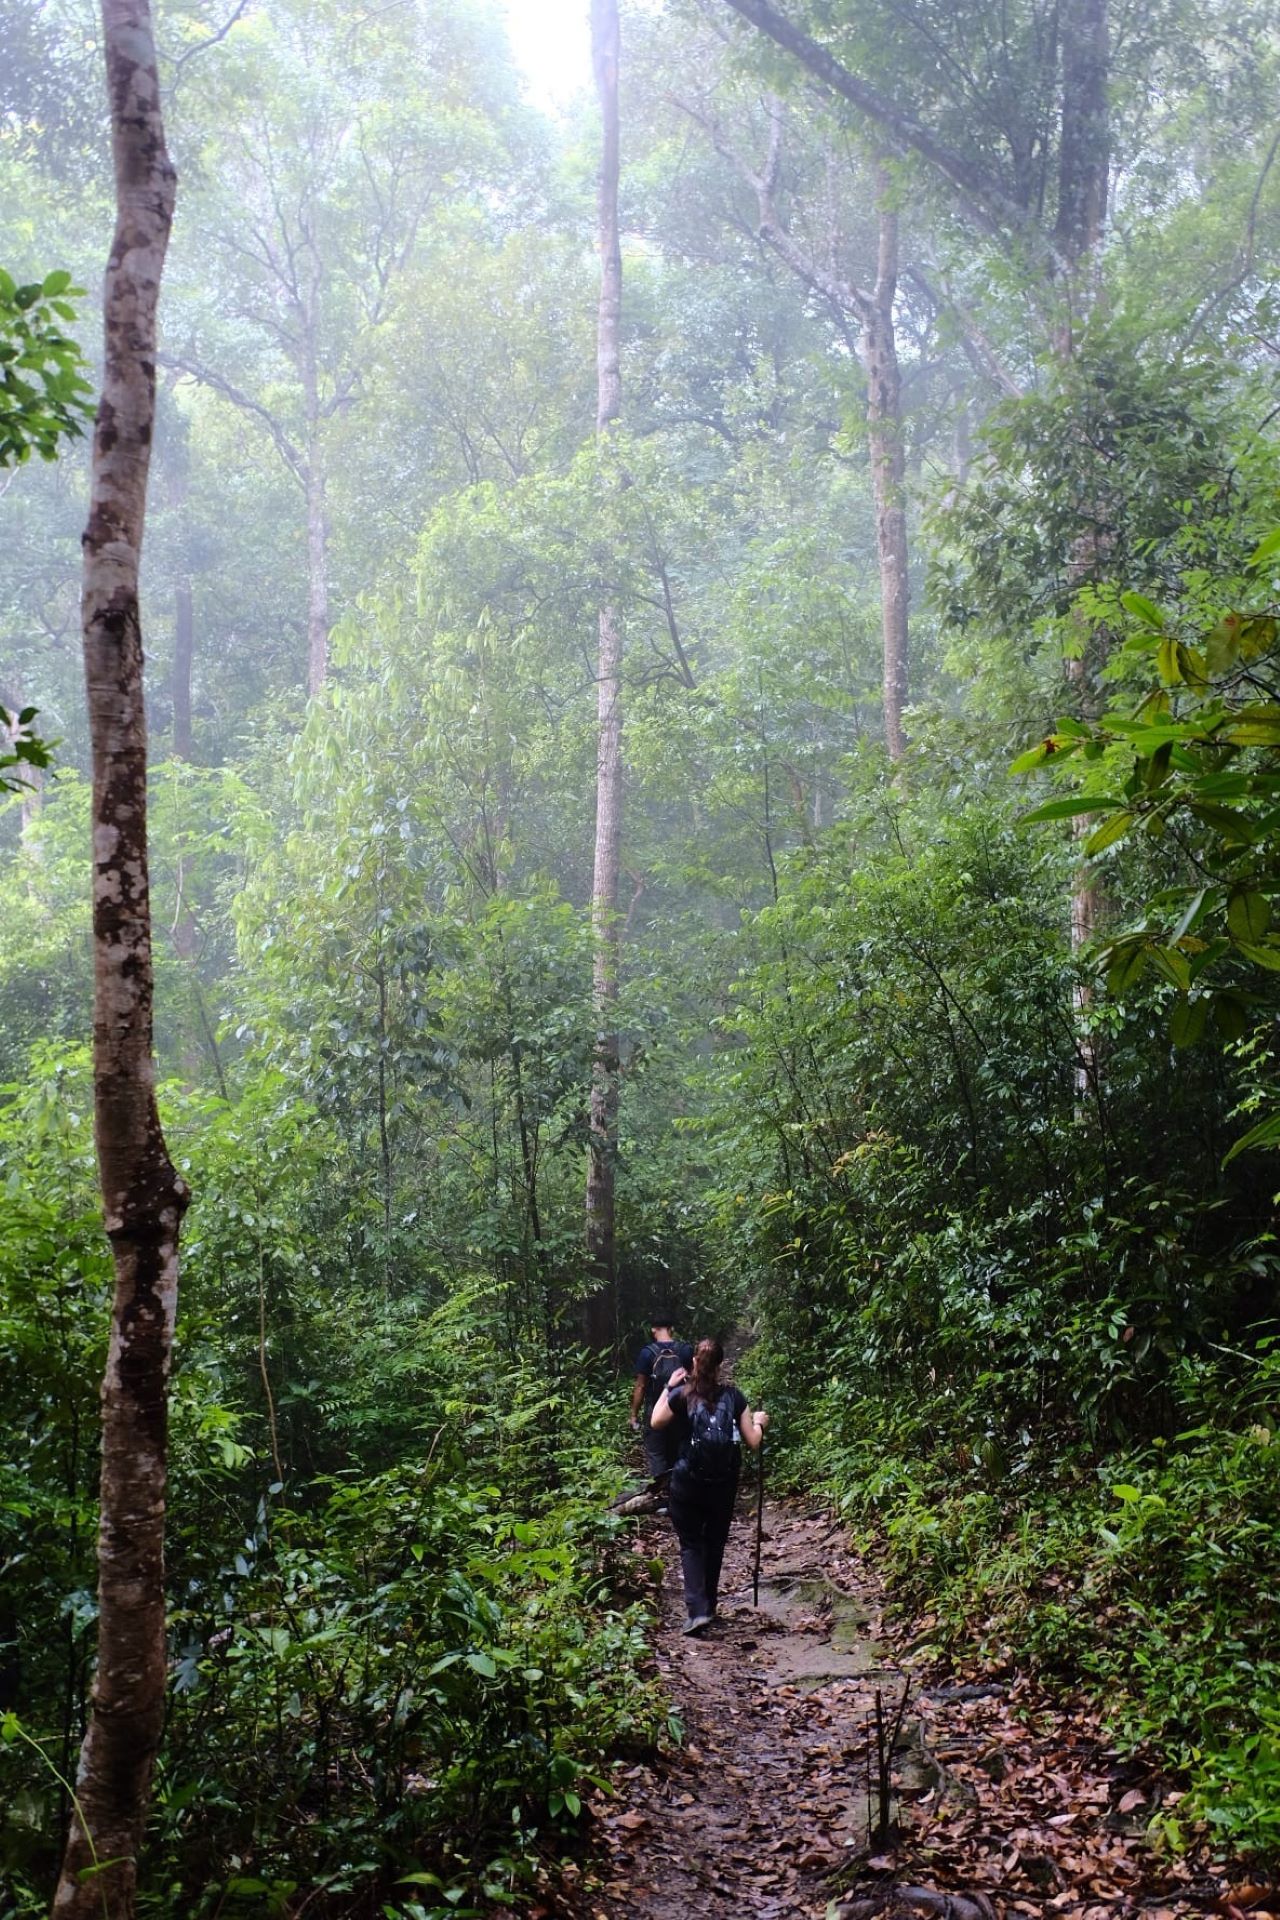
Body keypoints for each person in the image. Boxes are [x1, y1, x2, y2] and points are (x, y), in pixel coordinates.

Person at [650, 1337, 769, 1634]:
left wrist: (667, 1387)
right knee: (714, 1543)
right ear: (720, 1366)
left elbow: (656, 1422)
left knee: (691, 1543)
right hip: (722, 1484)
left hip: (687, 1480)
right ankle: (710, 1606)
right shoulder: (735, 1397)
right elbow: (753, 1441)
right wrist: (759, 1422)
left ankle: (697, 1611)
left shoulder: (682, 1394)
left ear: (694, 1363)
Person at [629, 1314, 694, 1491]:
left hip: (655, 1409)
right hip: (681, 1408)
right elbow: (694, 1380)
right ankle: (679, 1489)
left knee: (656, 1452)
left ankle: (660, 1492)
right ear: (672, 1329)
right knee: (680, 1449)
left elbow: (641, 1386)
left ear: (653, 1330)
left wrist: (634, 1414)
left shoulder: (647, 1353)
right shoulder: (686, 1350)